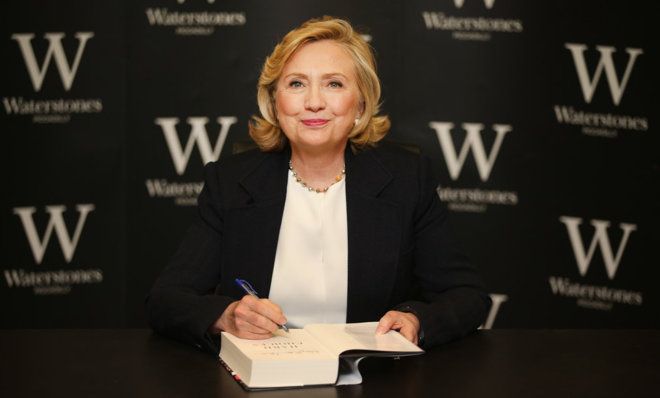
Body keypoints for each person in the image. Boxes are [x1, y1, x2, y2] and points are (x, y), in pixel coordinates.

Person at [146, 16, 490, 354]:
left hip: (373, 381)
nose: (313, 101)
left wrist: (417, 320)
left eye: (334, 84)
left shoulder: (407, 180)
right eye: (296, 83)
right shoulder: (230, 182)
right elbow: (166, 299)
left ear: (361, 104)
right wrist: (224, 316)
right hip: (262, 380)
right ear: (275, 102)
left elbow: (467, 295)